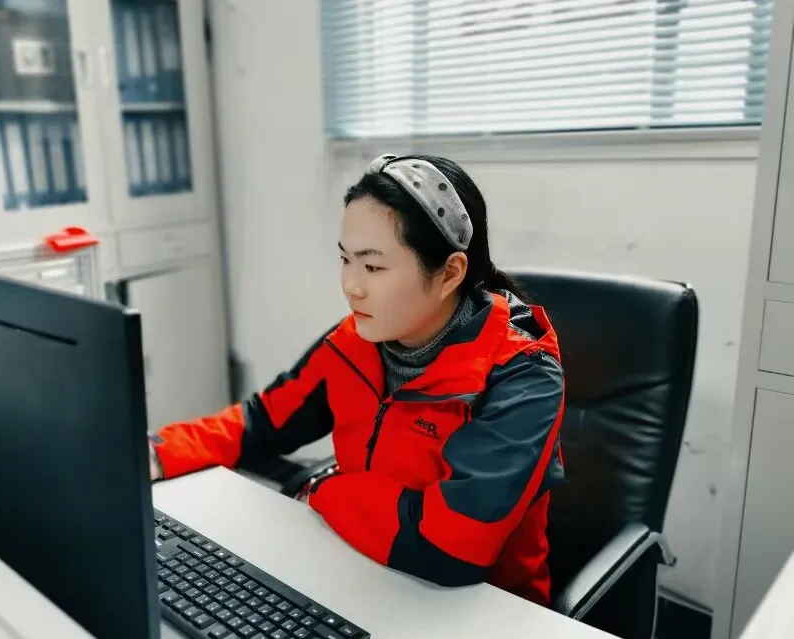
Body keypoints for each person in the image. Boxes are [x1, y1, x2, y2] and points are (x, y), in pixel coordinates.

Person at [148, 154, 565, 606]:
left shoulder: (522, 374)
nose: (351, 286)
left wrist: (325, 491)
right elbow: (261, 423)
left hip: (482, 609)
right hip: (360, 571)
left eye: (373, 267)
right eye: (345, 259)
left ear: (449, 273)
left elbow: (450, 548)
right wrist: (156, 454)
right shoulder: (354, 343)